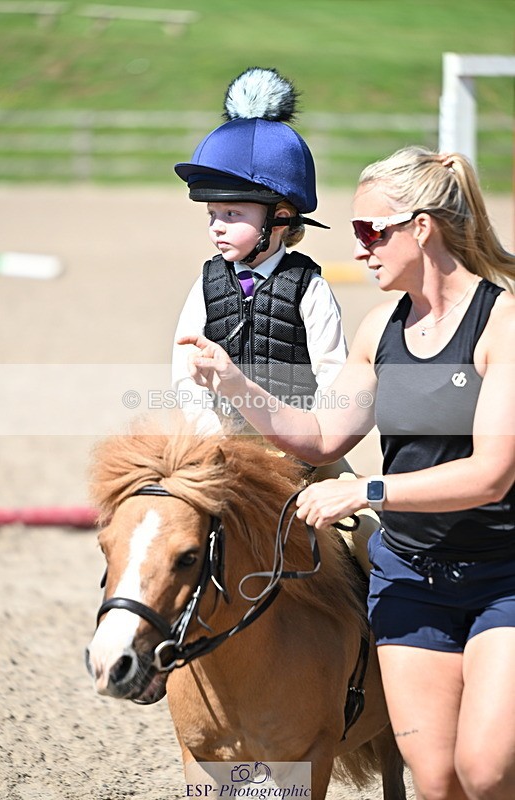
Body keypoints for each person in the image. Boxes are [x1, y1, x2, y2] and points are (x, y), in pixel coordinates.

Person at [179, 145, 515, 800]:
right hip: (410, 580)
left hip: (502, 576)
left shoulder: (500, 325)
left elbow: (491, 476)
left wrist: (364, 490)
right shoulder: (377, 329)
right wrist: (235, 382)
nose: (358, 248)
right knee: (439, 781)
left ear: (419, 227)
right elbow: (320, 435)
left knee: (487, 771)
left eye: (370, 231)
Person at [171, 66, 348, 434]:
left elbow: (333, 375)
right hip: (218, 439)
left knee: (344, 491)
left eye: (232, 214)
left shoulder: (308, 288)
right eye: (212, 213)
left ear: (279, 218)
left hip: (297, 445)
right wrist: (211, 437)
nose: (216, 226)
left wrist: (311, 442)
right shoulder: (208, 283)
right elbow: (184, 370)